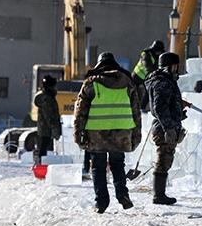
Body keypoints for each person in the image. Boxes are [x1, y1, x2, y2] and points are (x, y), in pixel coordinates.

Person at [74, 52, 141, 213]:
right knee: (118, 164)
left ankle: (101, 202)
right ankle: (123, 196)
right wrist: (136, 134)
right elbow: (136, 111)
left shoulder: (91, 83)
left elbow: (80, 112)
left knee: (98, 167)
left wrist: (78, 134)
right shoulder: (127, 82)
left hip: (97, 134)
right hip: (121, 132)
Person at [145, 52, 186, 205]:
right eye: (176, 66)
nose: (177, 69)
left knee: (166, 158)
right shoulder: (163, 82)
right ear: (171, 66)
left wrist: (178, 107)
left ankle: (160, 194)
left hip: (166, 125)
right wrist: (169, 128)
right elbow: (159, 107)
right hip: (164, 127)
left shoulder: (165, 81)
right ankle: (159, 195)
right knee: (164, 159)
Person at [33, 75, 62, 165]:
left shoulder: (48, 97)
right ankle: (40, 166)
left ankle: (40, 164)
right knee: (43, 149)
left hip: (44, 128)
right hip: (46, 129)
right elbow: (49, 115)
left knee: (43, 149)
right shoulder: (47, 99)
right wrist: (54, 127)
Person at [133, 40, 165, 109]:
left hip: (146, 77)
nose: (159, 53)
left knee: (148, 92)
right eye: (159, 51)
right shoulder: (146, 54)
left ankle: (142, 108)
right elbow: (148, 66)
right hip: (137, 76)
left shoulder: (158, 55)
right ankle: (135, 108)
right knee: (134, 94)